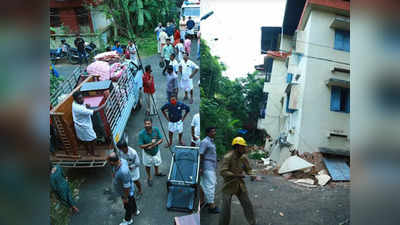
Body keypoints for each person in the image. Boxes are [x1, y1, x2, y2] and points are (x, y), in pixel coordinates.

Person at [219, 137, 257, 225]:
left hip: (240, 185)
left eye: (244, 147)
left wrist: (252, 175)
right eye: (242, 147)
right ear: (236, 147)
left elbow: (248, 169)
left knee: (247, 205)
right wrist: (236, 175)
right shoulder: (227, 157)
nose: (245, 149)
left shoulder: (243, 158)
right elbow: (223, 171)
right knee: (225, 209)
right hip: (228, 185)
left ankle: (252, 223)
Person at [72, 91, 106, 156]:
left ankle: (88, 151)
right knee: (93, 138)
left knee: (84, 139)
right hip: (83, 126)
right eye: (79, 99)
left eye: (82, 98)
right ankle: (92, 152)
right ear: (76, 100)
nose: (82, 100)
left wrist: (85, 105)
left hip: (81, 124)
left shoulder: (74, 103)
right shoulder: (78, 108)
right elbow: (94, 111)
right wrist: (102, 106)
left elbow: (83, 105)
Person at [108, 152, 138, 225]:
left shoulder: (123, 172)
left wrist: (125, 197)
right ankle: (135, 210)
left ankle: (128, 220)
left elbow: (126, 187)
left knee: (127, 206)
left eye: (109, 161)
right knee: (132, 200)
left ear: (112, 162)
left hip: (125, 192)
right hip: (127, 190)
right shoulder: (122, 160)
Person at [138, 118, 165, 187]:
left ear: (151, 124)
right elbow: (141, 146)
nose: (147, 125)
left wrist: (154, 145)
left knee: (157, 162)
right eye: (146, 124)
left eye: (148, 123)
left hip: (156, 151)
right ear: (144, 124)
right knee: (147, 165)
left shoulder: (156, 130)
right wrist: (150, 144)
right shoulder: (141, 134)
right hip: (147, 153)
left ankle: (157, 172)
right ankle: (149, 177)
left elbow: (161, 139)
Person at [199, 127, 220, 213]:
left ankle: (203, 201)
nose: (214, 133)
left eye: (215, 131)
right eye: (212, 132)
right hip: (207, 167)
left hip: (210, 166)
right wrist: (200, 167)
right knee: (211, 185)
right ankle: (211, 206)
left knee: (203, 184)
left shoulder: (211, 141)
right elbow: (201, 154)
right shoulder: (205, 142)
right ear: (208, 133)